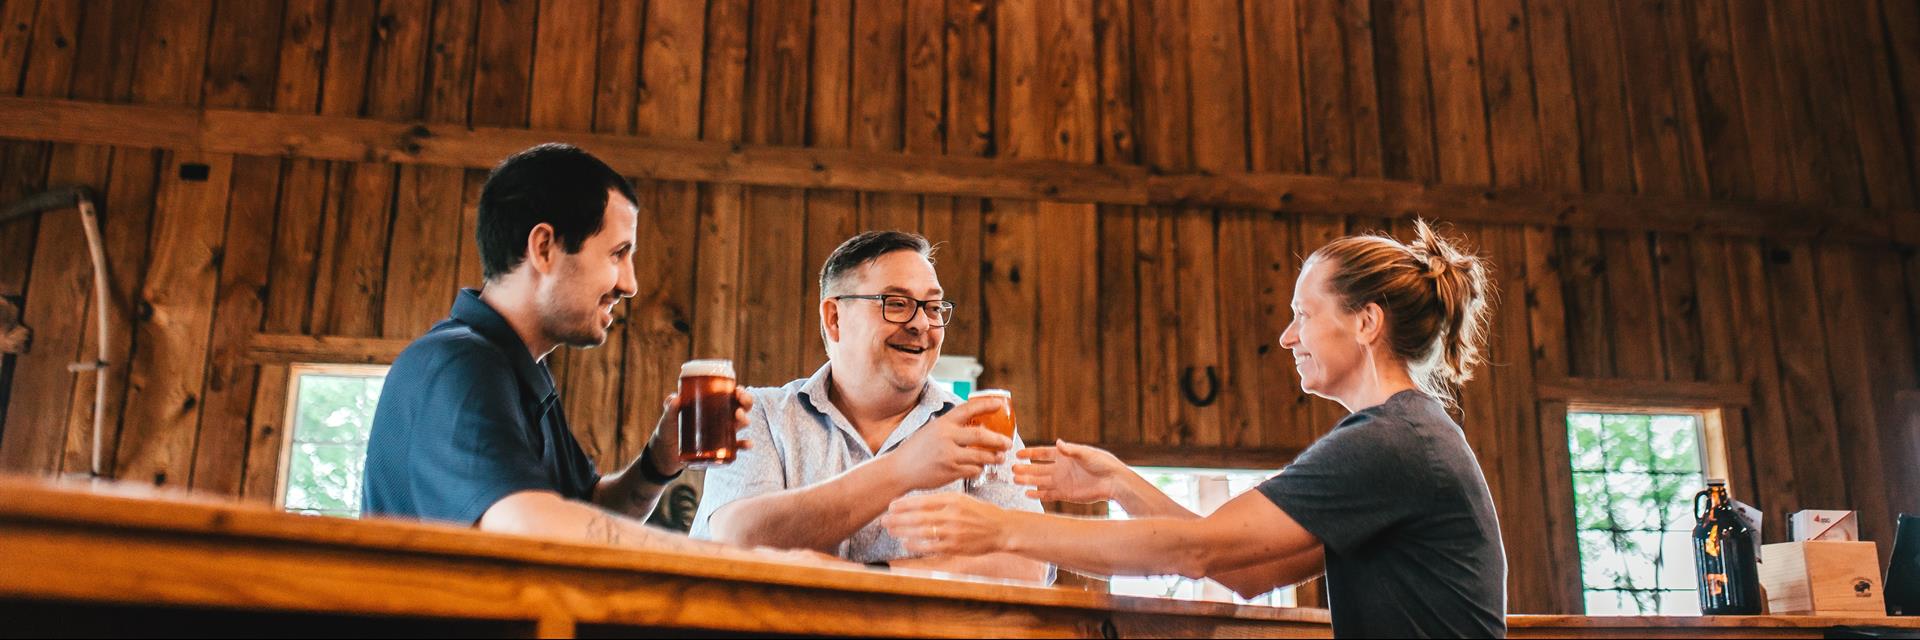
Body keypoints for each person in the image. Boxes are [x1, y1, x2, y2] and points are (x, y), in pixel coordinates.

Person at [883, 220, 1506, 637]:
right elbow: (1244, 569)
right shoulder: (1403, 437)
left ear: (1367, 323)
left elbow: (1199, 550)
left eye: (1302, 315)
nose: (1288, 337)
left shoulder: (1388, 443)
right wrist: (1119, 483)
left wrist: (1003, 528)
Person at [362, 143, 817, 562]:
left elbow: (586, 512)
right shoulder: (458, 364)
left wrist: (658, 462)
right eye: (618, 254)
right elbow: (526, 521)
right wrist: (736, 560)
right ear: (544, 248)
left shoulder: (518, 371)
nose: (630, 284)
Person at [691, 231, 1050, 582]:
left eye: (933, 306)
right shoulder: (760, 414)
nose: (922, 323)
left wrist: (871, 577)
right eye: (896, 303)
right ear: (834, 318)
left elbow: (1029, 564)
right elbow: (733, 539)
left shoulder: (979, 425)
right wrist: (905, 468)